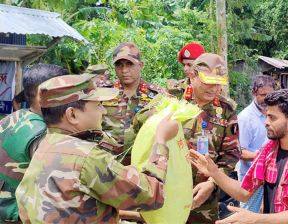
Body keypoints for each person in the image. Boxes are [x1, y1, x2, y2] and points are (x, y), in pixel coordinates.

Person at [15, 74, 179, 223]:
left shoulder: (44, 147)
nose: (103, 110)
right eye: (98, 105)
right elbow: (151, 194)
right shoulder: (87, 156)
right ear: (72, 115)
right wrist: (161, 140)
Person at [189, 89, 288, 224]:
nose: (266, 122)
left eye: (272, 117)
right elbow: (244, 192)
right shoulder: (268, 153)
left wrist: (256, 219)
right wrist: (214, 173)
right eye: (267, 115)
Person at [0, 64, 67, 223]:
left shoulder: (13, 118)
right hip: (18, 214)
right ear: (43, 95)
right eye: (64, 91)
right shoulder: (42, 134)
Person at [181, 53, 240, 223]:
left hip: (204, 199)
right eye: (209, 81)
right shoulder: (171, 97)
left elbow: (231, 154)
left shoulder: (226, 110)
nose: (214, 88)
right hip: (167, 191)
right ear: (193, 75)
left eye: (218, 83)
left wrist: (212, 182)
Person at [102, 42, 165, 164]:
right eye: (119, 65)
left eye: (129, 64)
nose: (124, 70)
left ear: (141, 65)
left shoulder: (157, 96)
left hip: (142, 166)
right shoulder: (103, 94)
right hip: (107, 165)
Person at [237, 75, 274, 213]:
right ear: (254, 93)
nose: (266, 98)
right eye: (262, 95)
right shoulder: (246, 118)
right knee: (249, 216)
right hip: (250, 178)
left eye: (270, 95)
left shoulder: (273, 112)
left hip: (270, 177)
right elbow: (240, 151)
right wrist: (263, 156)